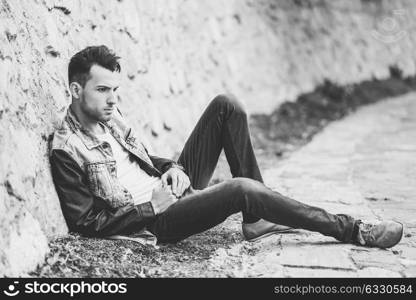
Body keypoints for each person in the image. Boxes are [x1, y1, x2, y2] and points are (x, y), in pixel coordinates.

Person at [50, 45, 403, 249]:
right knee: (241, 189)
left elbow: (141, 158)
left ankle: (257, 219)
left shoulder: (109, 116)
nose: (112, 100)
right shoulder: (67, 149)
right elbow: (86, 223)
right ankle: (352, 229)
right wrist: (151, 208)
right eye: (102, 90)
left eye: (116, 90)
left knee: (226, 105)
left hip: (171, 189)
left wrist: (171, 168)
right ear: (76, 91)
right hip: (158, 219)